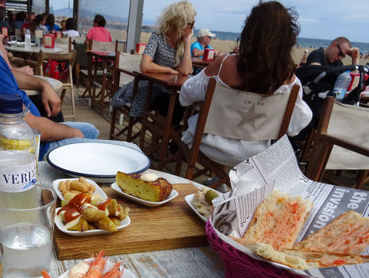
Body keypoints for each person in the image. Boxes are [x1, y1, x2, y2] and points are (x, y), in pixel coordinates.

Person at [0, 0, 101, 159]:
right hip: (29, 151)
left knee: (90, 130)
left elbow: (4, 74)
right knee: (117, 152)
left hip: (22, 139)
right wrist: (70, 133)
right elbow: (23, 126)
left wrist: (42, 84)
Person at [178, 1, 312, 166]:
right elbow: (296, 125)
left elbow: (185, 96)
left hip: (209, 145)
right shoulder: (289, 80)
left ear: (250, 30)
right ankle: (220, 181)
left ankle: (217, 180)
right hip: (256, 153)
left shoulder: (224, 64)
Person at [111, 1, 195, 121]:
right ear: (180, 23)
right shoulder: (158, 37)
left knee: (179, 103)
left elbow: (185, 71)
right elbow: (145, 65)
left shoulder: (181, 45)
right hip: (148, 86)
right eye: (191, 24)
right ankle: (164, 135)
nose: (193, 28)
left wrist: (187, 42)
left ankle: (164, 135)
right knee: (173, 104)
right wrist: (169, 70)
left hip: (166, 89)